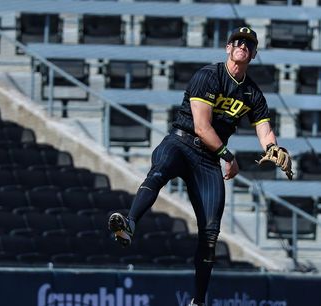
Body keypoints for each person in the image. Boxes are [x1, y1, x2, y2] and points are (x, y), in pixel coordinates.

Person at [108, 27, 292, 306]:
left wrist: (273, 148)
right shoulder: (209, 75)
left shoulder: (253, 94)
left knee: (210, 233)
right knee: (159, 171)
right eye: (238, 41)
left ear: (254, 54)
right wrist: (229, 156)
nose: (243, 45)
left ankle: (198, 301)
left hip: (208, 159)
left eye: (249, 44)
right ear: (228, 48)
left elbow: (264, 129)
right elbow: (201, 126)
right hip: (182, 143)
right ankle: (130, 223)